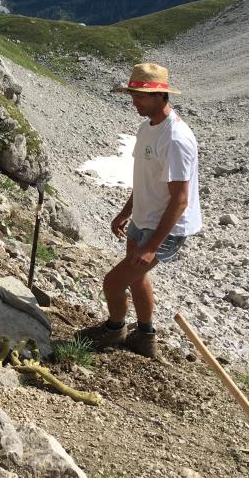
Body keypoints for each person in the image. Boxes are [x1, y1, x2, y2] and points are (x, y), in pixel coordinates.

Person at [78, 63, 201, 358]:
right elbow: (145, 178)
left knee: (113, 282)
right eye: (133, 95)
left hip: (164, 227)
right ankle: (145, 336)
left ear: (161, 96)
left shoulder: (176, 138)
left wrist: (153, 246)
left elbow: (180, 199)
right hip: (144, 216)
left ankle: (115, 329)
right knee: (136, 278)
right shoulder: (147, 127)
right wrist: (125, 212)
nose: (135, 102)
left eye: (141, 96)